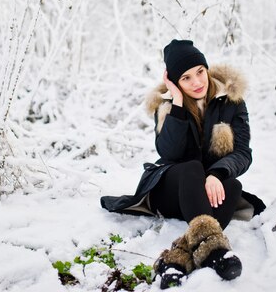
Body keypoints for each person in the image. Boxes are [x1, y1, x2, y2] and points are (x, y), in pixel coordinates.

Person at [100, 39, 265, 288]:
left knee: (232, 186)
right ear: (175, 82)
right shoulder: (167, 105)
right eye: (186, 78)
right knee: (191, 167)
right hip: (170, 191)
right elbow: (168, 153)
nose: (197, 82)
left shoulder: (231, 102)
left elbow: (243, 153)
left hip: (203, 194)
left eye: (200, 72)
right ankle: (215, 252)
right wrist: (177, 102)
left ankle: (175, 261)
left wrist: (217, 174)